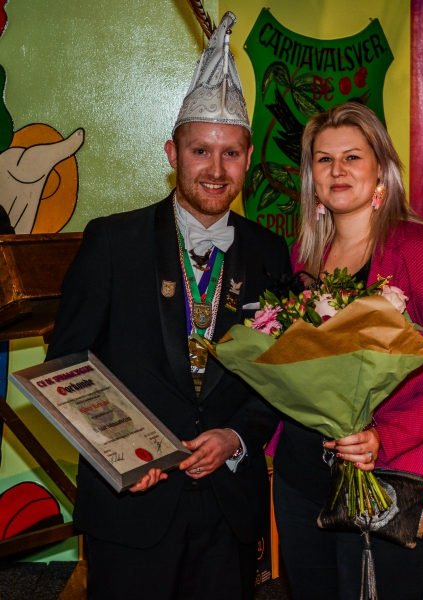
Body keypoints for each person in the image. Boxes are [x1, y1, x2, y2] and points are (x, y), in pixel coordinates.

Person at [46, 12, 290, 600]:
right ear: (172, 153)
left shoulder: (270, 252)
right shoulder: (113, 241)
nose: (216, 170)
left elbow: (281, 371)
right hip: (134, 502)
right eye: (200, 150)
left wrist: (237, 437)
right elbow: (68, 364)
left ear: (248, 159)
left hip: (229, 503)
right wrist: (120, 455)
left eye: (231, 153)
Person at [272, 102, 423, 600]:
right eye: (324, 160)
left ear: (381, 171)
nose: (337, 170)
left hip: (392, 473)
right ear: (311, 179)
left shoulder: (420, 252)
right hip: (301, 474)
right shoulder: (301, 255)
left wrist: (384, 436)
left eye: (352, 157)